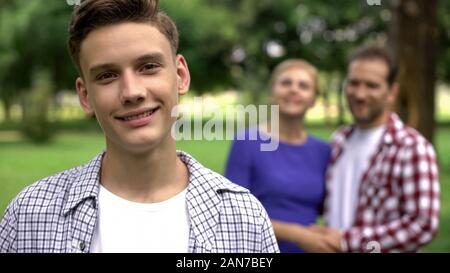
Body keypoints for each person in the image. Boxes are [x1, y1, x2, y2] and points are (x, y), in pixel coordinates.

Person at [0, 0, 279, 253]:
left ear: (180, 75)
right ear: (85, 96)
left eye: (148, 67)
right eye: (107, 75)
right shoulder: (29, 216)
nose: (132, 92)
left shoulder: (244, 218)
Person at [313, 45, 440, 252]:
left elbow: (423, 225)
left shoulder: (411, 148)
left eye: (372, 86)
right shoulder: (339, 140)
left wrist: (348, 241)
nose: (360, 94)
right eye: (354, 83)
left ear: (392, 92)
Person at [225, 59, 331, 252]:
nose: (293, 89)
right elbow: (234, 212)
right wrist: (298, 234)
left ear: (314, 99)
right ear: (273, 92)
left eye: (304, 86)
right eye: (286, 83)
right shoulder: (247, 142)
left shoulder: (323, 151)